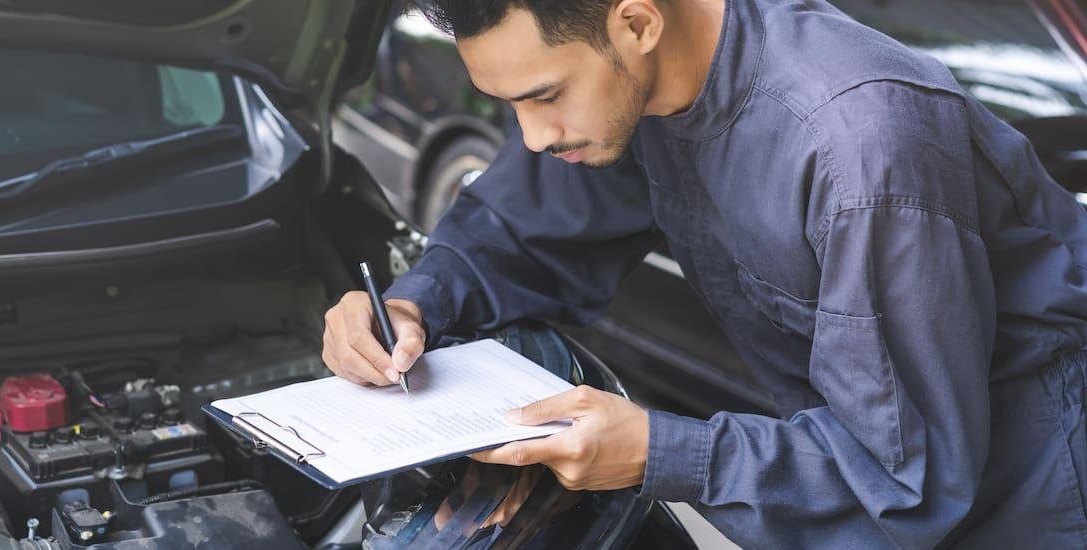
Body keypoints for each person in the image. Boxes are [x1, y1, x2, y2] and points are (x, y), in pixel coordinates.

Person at [321, 0, 1087, 547]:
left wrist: (659, 451)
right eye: (508, 104)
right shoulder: (634, 89)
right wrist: (412, 307)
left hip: (1032, 495)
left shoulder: (856, 148)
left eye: (545, 95)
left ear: (637, 22)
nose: (533, 136)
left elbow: (905, 479)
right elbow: (521, 233)